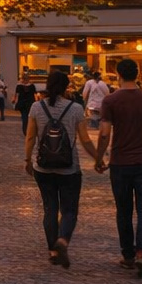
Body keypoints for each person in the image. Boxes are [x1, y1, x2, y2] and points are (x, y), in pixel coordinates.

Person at [95, 57, 142, 279]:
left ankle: (127, 256)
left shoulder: (111, 100)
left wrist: (99, 158)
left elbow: (105, 133)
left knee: (124, 210)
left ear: (118, 74)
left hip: (121, 164)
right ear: (138, 75)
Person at [24, 69, 98, 268]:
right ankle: (63, 241)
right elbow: (84, 139)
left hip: (43, 167)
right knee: (69, 210)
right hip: (69, 168)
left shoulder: (36, 107)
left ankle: (52, 251)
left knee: (50, 209)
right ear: (67, 86)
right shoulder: (75, 109)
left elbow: (30, 137)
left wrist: (27, 160)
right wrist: (98, 158)